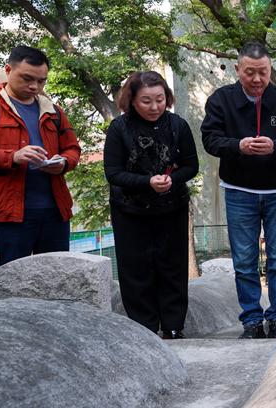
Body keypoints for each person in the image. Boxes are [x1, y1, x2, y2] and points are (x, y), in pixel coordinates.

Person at [201, 43, 276, 339]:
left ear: (270, 70)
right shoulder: (221, 99)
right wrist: (238, 146)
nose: (257, 79)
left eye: (263, 72)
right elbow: (210, 139)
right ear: (237, 70)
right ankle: (252, 320)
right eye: (250, 72)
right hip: (238, 190)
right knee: (244, 261)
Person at [104, 71, 198, 339]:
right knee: (135, 268)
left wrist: (171, 179)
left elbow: (191, 165)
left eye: (160, 99)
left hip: (172, 207)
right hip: (129, 210)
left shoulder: (178, 125)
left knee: (173, 266)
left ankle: (173, 325)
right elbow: (113, 172)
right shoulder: (119, 128)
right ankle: (143, 327)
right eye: (146, 101)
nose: (155, 106)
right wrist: (147, 182)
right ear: (132, 100)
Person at [0, 46, 80, 268]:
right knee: (13, 276)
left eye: (41, 81)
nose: (34, 86)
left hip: (55, 210)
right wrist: (12, 157)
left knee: (58, 275)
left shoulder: (53, 111)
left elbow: (73, 149)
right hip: (9, 214)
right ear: (8, 70)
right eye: (27, 79)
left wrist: (63, 163)